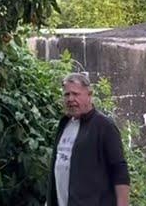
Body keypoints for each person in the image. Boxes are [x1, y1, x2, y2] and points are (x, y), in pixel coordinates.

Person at [48, 72, 131, 206]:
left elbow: (119, 170)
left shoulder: (104, 126)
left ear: (89, 95)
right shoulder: (64, 124)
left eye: (75, 94)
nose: (70, 99)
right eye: (67, 94)